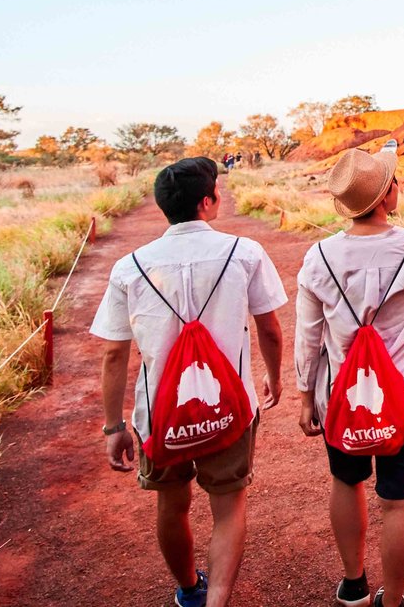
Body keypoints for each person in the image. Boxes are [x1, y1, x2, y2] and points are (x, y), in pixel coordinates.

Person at [93, 156, 287, 607]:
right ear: (207, 202)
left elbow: (113, 353)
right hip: (229, 406)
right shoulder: (244, 252)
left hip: (159, 413)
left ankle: (188, 589)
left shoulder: (130, 267)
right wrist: (274, 379)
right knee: (229, 506)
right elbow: (270, 329)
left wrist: (113, 426)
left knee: (171, 503)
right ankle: (217, 601)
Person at [295, 145, 404, 607]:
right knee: (399, 498)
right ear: (386, 196)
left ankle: (354, 584)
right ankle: (393, 600)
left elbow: (309, 336)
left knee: (346, 479)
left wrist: (305, 397)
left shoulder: (318, 257)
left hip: (342, 391)